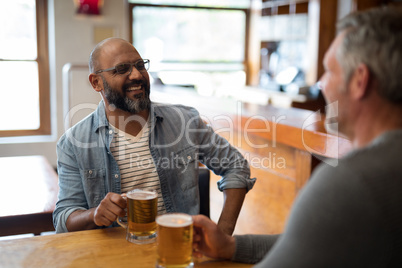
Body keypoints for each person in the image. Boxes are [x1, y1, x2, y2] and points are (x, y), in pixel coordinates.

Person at [192, 6, 402, 267]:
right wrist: (231, 246)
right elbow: (318, 241)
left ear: (360, 80)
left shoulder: (354, 182)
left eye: (329, 71)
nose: (321, 83)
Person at [53, 38, 256, 235]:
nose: (136, 75)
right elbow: (63, 219)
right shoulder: (73, 143)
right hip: (113, 255)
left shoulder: (185, 121)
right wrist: (94, 215)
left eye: (140, 65)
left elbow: (235, 165)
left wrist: (223, 234)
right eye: (122, 69)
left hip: (178, 248)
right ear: (96, 82)